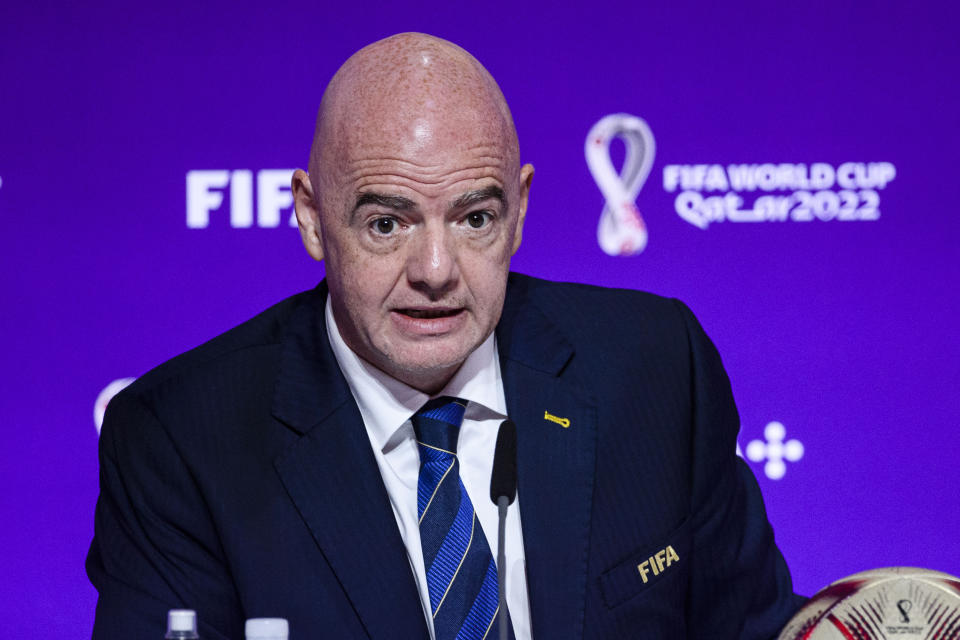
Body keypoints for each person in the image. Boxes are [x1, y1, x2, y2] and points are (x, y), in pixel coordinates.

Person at [87, 33, 804, 639]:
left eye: (474, 219)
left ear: (519, 210)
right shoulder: (181, 439)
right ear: (310, 216)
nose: (435, 273)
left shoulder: (652, 370)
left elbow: (759, 628)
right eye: (386, 223)